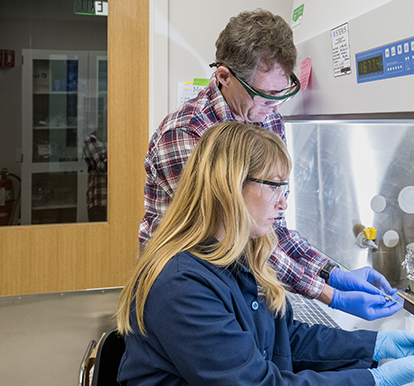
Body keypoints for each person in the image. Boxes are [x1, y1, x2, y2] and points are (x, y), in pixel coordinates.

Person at [113, 122, 414, 386]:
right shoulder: (181, 283)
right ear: (230, 186)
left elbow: (284, 339)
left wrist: (374, 345)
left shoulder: (236, 256)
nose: (283, 204)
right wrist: (375, 381)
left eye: (286, 189)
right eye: (273, 187)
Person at [139, 8, 400, 321]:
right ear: (224, 76)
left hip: (238, 283)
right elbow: (239, 237)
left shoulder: (267, 118)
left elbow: (273, 228)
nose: (274, 107)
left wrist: (331, 272)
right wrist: (328, 294)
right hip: (186, 288)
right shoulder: (186, 134)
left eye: (282, 93)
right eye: (265, 95)